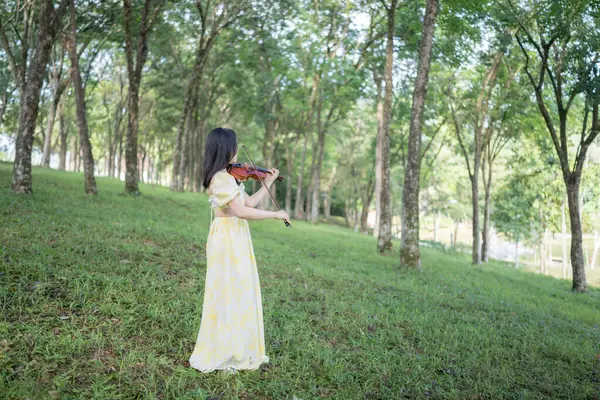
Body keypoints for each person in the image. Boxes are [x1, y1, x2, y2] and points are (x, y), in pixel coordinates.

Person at [188, 127, 291, 374]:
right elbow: (241, 212)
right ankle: (226, 352)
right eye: (234, 146)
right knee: (229, 293)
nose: (237, 151)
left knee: (238, 291)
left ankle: (237, 348)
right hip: (228, 238)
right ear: (226, 149)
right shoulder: (221, 178)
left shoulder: (229, 177)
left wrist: (266, 182)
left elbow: (249, 203)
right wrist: (276, 215)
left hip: (235, 236)